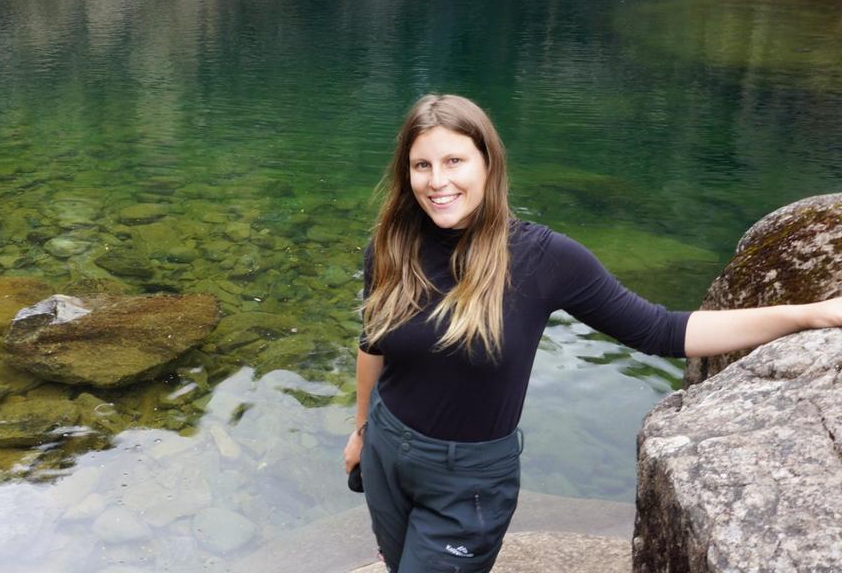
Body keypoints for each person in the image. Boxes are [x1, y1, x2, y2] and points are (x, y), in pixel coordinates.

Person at [341, 93, 842, 573]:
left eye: (454, 161)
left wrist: (809, 314)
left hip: (467, 480)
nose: (436, 181)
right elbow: (373, 346)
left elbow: (664, 330)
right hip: (387, 450)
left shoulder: (544, 259)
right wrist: (361, 431)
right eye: (421, 165)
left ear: (488, 165)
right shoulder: (391, 248)